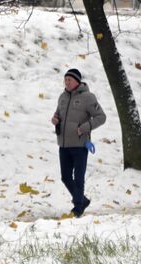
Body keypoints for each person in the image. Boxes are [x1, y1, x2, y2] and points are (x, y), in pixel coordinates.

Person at [51, 69, 106, 217]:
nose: (66, 82)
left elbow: (101, 117)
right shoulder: (62, 97)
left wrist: (84, 128)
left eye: (69, 79)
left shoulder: (88, 97)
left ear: (77, 81)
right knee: (65, 177)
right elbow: (58, 115)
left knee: (78, 177)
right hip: (63, 144)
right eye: (65, 79)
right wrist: (55, 120)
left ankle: (78, 208)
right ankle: (82, 200)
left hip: (80, 145)